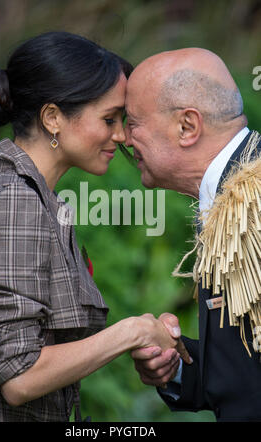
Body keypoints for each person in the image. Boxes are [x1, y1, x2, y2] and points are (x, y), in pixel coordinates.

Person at [0, 31, 191, 422]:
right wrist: (132, 332)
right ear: (52, 118)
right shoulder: (13, 201)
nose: (121, 136)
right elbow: (19, 376)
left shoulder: (35, 199)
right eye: (109, 119)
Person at [126, 48, 261, 422]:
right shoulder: (229, 194)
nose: (122, 136)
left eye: (132, 121)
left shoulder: (254, 201)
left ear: (187, 127)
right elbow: (248, 372)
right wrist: (179, 363)